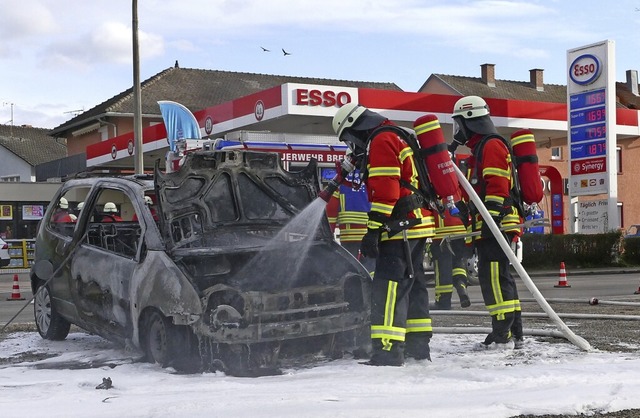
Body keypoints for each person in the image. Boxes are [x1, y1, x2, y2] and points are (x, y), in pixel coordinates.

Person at [332, 103, 435, 366]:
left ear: (355, 128)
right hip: (416, 225)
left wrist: (373, 231)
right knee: (413, 286)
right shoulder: (396, 135)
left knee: (388, 287)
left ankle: (387, 350)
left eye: (348, 138)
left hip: (399, 227)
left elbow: (386, 191)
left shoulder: (381, 140)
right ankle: (418, 346)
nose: (351, 145)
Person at [450, 95, 523, 350]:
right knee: (502, 277)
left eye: (459, 124)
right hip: (496, 223)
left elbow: (496, 187)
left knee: (492, 277)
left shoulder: (490, 146)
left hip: (496, 224)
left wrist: (489, 221)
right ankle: (515, 331)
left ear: (470, 121)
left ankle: (502, 333)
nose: (457, 131)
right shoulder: (482, 147)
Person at [325, 169, 376, 275]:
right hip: (371, 234)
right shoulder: (372, 178)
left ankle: (355, 289)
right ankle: (373, 289)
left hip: (349, 236)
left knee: (351, 269)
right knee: (371, 268)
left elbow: (331, 211)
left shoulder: (340, 183)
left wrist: (329, 235)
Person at [429, 189, 471, 310]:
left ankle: (443, 301)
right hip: (459, 225)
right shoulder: (455, 172)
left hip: (440, 229)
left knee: (442, 267)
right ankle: (461, 286)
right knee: (458, 261)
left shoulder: (429, 173)